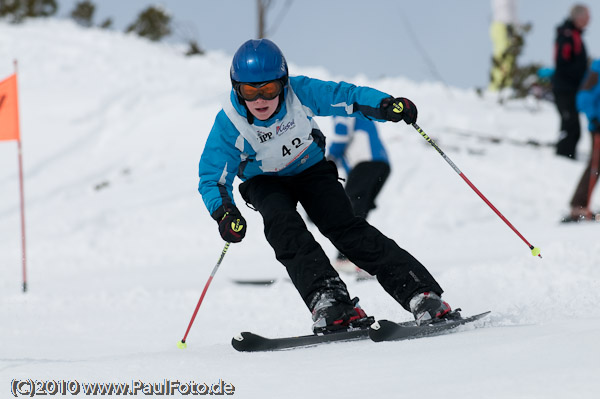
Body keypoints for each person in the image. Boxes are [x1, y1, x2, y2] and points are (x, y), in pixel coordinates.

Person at [198, 39, 453, 334]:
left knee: (346, 228)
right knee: (284, 229)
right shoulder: (229, 123)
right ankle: (329, 299)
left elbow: (347, 97)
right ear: (236, 88)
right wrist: (225, 213)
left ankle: (421, 294)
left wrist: (385, 105)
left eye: (268, 89)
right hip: (264, 181)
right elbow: (212, 175)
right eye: (249, 91)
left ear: (283, 83)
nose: (260, 100)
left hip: (310, 169)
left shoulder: (300, 92)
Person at [327, 117, 390, 279]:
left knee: (350, 209)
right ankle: (364, 256)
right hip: (379, 164)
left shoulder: (341, 105)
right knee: (358, 211)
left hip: (367, 162)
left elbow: (341, 135)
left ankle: (349, 258)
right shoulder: (354, 108)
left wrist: (327, 160)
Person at [552, 4, 590, 160]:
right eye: (587, 16)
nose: (589, 20)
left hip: (570, 88)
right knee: (570, 126)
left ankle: (567, 157)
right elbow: (562, 62)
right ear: (578, 18)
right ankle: (563, 159)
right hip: (564, 88)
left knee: (573, 127)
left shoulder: (574, 35)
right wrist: (582, 72)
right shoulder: (567, 36)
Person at [565, 58, 600, 222]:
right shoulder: (597, 70)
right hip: (598, 126)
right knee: (596, 163)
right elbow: (583, 97)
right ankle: (578, 205)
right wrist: (594, 118)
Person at [489, 0, 521, 91]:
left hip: (510, 27)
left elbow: (513, 12)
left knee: (510, 58)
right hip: (501, 25)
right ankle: (497, 86)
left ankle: (508, 85)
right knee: (501, 56)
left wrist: (517, 27)